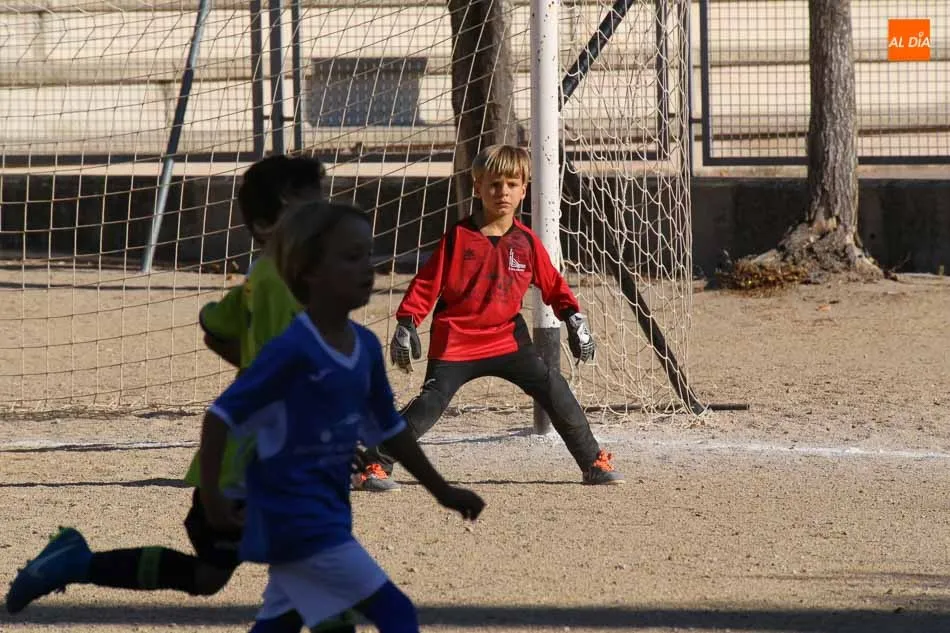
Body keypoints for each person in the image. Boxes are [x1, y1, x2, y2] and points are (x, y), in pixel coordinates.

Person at [5, 155, 356, 632]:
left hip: (252, 456)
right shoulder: (285, 285)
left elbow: (217, 328)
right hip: (261, 461)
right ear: (265, 226)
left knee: (210, 576)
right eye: (308, 211)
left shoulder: (265, 275)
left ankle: (77, 562)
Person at [198, 199, 485, 632]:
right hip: (299, 522)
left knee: (293, 621)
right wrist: (215, 501)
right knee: (396, 614)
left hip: (329, 514)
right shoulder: (291, 349)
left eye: (369, 255)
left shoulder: (365, 346)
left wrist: (442, 491)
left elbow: (391, 429)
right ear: (309, 272)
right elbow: (220, 417)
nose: (368, 268)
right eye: (351, 258)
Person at [353, 144, 624, 491]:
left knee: (553, 387)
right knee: (430, 404)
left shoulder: (527, 242)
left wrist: (574, 318)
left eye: (512, 184)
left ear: (524, 190)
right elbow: (426, 284)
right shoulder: (458, 238)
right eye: (494, 184)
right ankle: (374, 465)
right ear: (478, 187)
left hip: (507, 339)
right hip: (457, 340)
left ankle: (593, 463)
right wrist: (407, 324)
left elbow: (554, 286)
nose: (503, 192)